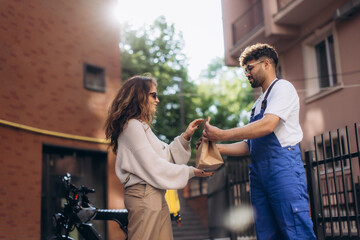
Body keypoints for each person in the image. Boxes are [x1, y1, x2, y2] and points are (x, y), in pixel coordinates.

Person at [201, 43, 316, 239]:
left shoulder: (283, 88)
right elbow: (249, 145)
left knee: (295, 230)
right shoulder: (257, 105)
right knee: (267, 233)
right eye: (245, 70)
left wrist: (222, 134)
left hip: (283, 170)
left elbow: (268, 125)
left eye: (250, 68)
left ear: (267, 63)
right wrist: (215, 146)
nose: (247, 74)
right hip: (259, 174)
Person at [104, 74, 212, 240]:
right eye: (153, 95)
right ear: (139, 96)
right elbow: (153, 164)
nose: (157, 100)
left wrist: (186, 136)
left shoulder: (140, 126)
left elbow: (164, 156)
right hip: (144, 196)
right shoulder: (132, 126)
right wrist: (190, 172)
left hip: (153, 196)